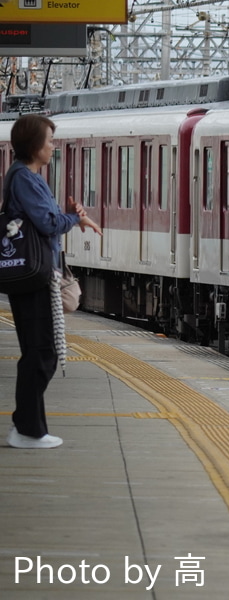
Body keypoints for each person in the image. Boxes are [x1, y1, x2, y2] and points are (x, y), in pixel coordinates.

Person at [5, 114, 102, 449]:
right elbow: (47, 223)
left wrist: (72, 216)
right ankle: (27, 430)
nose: (53, 146)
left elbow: (47, 218)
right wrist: (74, 218)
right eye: (49, 140)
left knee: (38, 350)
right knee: (41, 351)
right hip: (32, 276)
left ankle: (28, 427)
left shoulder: (29, 177)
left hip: (36, 274)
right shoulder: (24, 178)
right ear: (34, 144)